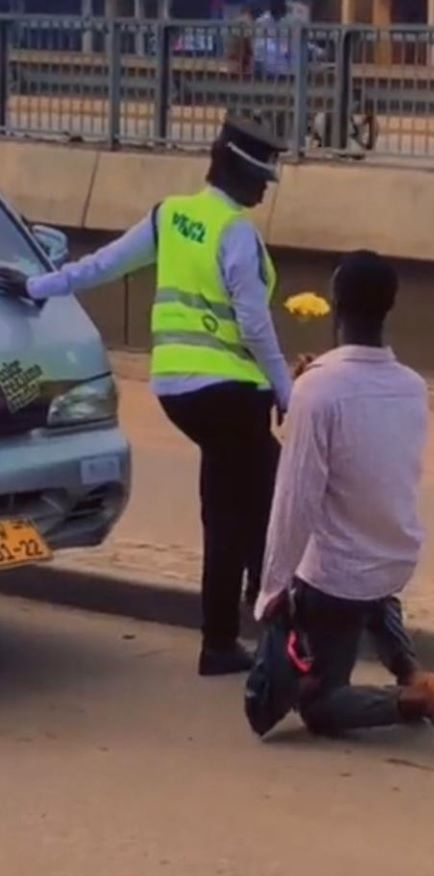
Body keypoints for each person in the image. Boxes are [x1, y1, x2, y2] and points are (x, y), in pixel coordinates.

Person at [0, 116, 292, 677]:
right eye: (261, 178)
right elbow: (254, 324)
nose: (264, 190)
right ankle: (272, 630)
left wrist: (36, 286)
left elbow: (102, 265)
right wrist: (287, 390)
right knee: (267, 504)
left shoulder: (171, 216)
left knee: (228, 507)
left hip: (177, 391)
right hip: (231, 390)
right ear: (235, 171)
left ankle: (220, 642)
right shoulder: (236, 232)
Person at [255, 250, 434, 761]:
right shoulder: (411, 387)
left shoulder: (319, 390)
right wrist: (311, 383)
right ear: (390, 307)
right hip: (393, 557)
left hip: (336, 578)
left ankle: (420, 697)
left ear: (334, 304)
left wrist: (272, 587)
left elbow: (295, 500)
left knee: (320, 705)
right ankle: (412, 669)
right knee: (373, 590)